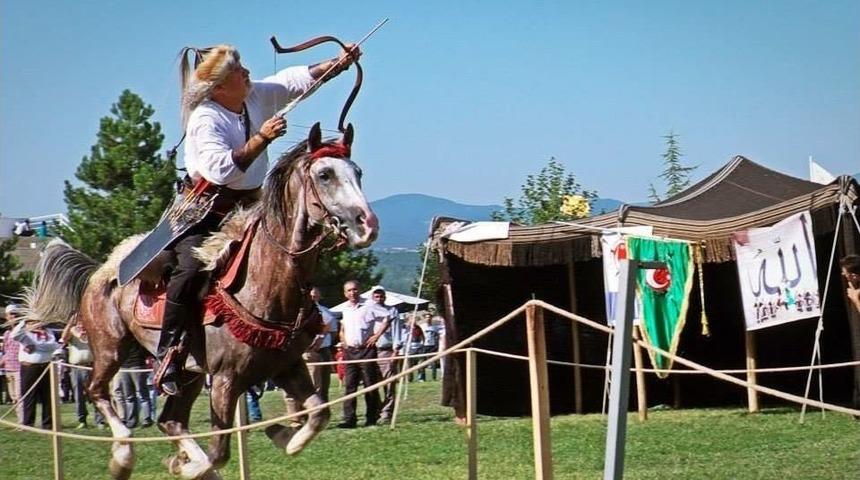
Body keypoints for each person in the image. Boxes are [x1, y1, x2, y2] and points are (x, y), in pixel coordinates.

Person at [155, 41, 361, 396]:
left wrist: (338, 63)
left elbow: (292, 81)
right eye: (237, 70)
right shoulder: (205, 118)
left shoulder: (252, 95)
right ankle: (169, 352)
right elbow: (221, 171)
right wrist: (262, 138)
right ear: (219, 86)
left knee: (293, 252)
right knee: (188, 271)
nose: (246, 72)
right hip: (204, 212)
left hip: (251, 205)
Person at [285, 286, 339, 426]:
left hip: (317, 352)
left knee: (317, 386)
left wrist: (320, 339)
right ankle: (295, 418)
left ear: (319, 297)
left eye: (315, 296)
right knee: (292, 386)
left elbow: (330, 328)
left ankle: (316, 416)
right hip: (296, 352)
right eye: (310, 296)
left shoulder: (324, 312)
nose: (312, 298)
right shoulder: (295, 310)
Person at [337, 280, 383, 428]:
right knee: (350, 386)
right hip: (350, 351)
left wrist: (377, 335)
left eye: (355, 289)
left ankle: (372, 417)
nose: (352, 293)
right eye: (349, 290)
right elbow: (343, 326)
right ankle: (349, 419)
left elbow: (388, 317)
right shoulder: (345, 308)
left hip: (366, 350)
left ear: (359, 290)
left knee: (370, 385)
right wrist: (342, 338)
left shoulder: (370, 305)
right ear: (345, 293)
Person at [11, 316, 61, 428]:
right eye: (33, 322)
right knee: (29, 396)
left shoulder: (48, 332)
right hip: (30, 368)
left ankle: (48, 424)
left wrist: (37, 346)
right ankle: (28, 423)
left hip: (46, 366)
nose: (37, 324)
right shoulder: (25, 334)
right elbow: (14, 335)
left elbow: (53, 346)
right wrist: (23, 321)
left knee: (47, 396)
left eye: (38, 321)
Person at [366, 287, 401, 423]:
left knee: (389, 384)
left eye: (381, 296)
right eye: (376, 296)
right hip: (370, 351)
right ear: (372, 297)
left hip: (386, 350)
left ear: (385, 297)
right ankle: (376, 410)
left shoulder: (392, 311)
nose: (379, 298)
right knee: (371, 383)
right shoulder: (367, 310)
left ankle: (387, 412)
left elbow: (397, 331)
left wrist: (396, 351)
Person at [115, 340, 154, 428]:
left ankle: (147, 419)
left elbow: (147, 351)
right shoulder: (121, 338)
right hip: (124, 367)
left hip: (138, 366)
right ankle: (131, 421)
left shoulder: (138, 338)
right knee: (128, 396)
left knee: (142, 394)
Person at [2, 305, 23, 420]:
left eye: (14, 314)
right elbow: (6, 351)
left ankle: (23, 423)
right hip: (8, 368)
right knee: (13, 396)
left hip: (19, 368)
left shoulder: (23, 331)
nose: (12, 316)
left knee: (20, 396)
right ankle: (20, 420)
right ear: (6, 317)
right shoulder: (6, 334)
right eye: (10, 314)